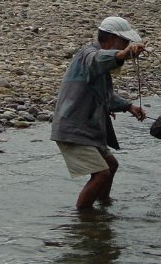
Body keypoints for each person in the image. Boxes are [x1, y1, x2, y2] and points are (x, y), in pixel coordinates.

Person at [51, 16, 149, 210]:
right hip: (74, 128)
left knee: (111, 166)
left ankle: (103, 206)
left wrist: (129, 106)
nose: (127, 45)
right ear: (111, 39)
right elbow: (97, 60)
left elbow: (106, 96)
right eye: (124, 41)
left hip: (87, 128)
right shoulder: (88, 55)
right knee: (101, 173)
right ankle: (84, 217)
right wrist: (122, 55)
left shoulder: (100, 63)